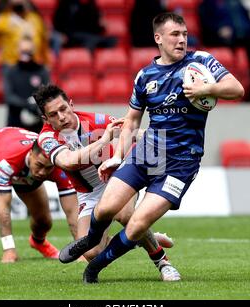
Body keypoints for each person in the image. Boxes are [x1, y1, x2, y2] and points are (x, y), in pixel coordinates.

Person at [59, 12, 245, 283]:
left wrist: (207, 89)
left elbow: (236, 89)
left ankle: (94, 267)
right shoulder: (145, 76)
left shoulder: (201, 62)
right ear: (158, 38)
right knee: (106, 208)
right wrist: (117, 157)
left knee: (137, 225)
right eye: (175, 35)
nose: (182, 40)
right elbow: (132, 120)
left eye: (184, 35)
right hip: (148, 152)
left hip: (182, 161)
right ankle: (90, 239)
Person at [33, 84, 181, 281]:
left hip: (117, 178)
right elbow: (68, 161)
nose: (61, 117)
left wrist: (169, 142)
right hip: (88, 193)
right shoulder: (46, 137)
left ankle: (163, 262)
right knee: (91, 252)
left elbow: (131, 131)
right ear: (45, 118)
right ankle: (137, 238)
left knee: (125, 214)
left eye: (63, 109)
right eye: (53, 114)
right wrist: (104, 140)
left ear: (71, 104)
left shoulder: (95, 120)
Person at [0, 127, 79, 263]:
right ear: (31, 154)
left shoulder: (58, 165)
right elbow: (2, 206)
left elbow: (72, 210)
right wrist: (8, 249)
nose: (42, 172)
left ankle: (38, 242)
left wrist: (81, 250)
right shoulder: (9, 161)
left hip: (21, 165)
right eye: (39, 165)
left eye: (48, 168)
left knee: (44, 222)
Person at [0, 0, 51, 73]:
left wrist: (47, 62)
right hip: (11, 63)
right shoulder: (4, 19)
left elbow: (44, 42)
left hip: (33, 64)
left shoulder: (35, 19)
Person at [3, 37, 49, 133]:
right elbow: (9, 97)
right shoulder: (11, 71)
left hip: (37, 125)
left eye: (28, 51)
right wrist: (27, 104)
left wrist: (36, 105)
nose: (25, 54)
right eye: (23, 50)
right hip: (14, 124)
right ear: (18, 50)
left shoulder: (41, 71)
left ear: (34, 51)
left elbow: (47, 94)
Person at [52, 0, 117, 52]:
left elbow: (97, 24)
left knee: (112, 40)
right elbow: (58, 22)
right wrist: (61, 34)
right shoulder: (67, 3)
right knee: (90, 41)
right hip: (73, 35)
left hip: (91, 35)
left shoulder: (91, 4)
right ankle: (88, 64)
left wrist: (102, 25)